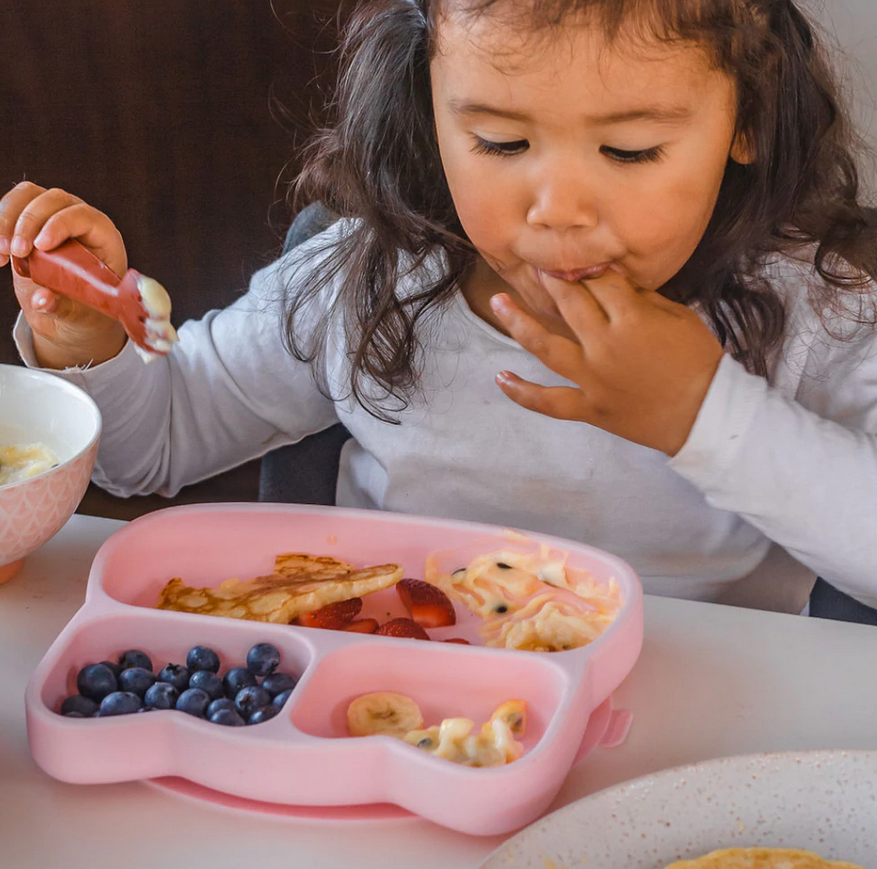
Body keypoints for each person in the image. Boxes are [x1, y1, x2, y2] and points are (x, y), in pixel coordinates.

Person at [1, 0, 875, 614]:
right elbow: (146, 449)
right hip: (394, 692)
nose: (558, 207)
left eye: (629, 149)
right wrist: (87, 345)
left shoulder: (810, 309)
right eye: (500, 141)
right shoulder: (365, 281)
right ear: (429, 111)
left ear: (744, 122)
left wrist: (702, 414)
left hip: (691, 722)